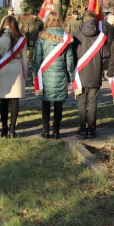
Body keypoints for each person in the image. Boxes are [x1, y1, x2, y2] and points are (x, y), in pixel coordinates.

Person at [34, 11, 74, 140]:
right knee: (58, 104)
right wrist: (71, 76)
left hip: (45, 74)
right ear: (60, 21)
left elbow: (37, 58)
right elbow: (69, 60)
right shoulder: (66, 37)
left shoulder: (41, 37)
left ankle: (45, 130)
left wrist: (35, 74)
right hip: (60, 74)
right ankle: (56, 131)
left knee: (45, 103)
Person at [73, 10, 109, 138]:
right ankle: (91, 129)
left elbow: (72, 55)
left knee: (81, 102)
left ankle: (82, 128)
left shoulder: (76, 35)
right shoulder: (101, 36)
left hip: (80, 73)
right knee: (93, 102)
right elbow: (105, 54)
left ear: (84, 20)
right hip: (95, 72)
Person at [0, 14, 28, 138]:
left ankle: (4, 129)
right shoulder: (21, 40)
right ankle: (13, 130)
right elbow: (25, 60)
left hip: (2, 71)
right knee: (14, 100)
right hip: (16, 69)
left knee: (3, 101)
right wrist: (25, 74)